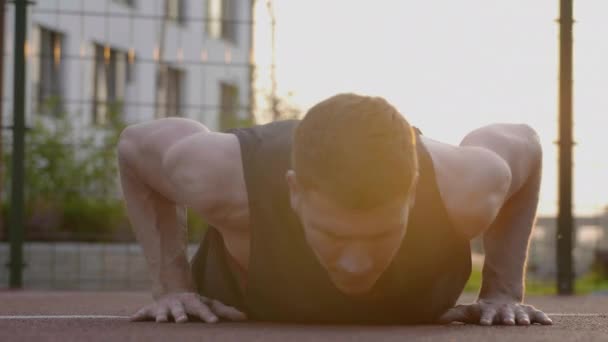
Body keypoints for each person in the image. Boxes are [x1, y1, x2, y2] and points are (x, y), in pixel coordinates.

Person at [118, 93, 552, 325]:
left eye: (381, 235)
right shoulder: (219, 176)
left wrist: (502, 290)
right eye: (334, 234)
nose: (356, 263)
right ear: (294, 192)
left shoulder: (468, 187)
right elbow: (136, 145)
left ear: (413, 191)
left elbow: (525, 142)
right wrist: (173, 285)